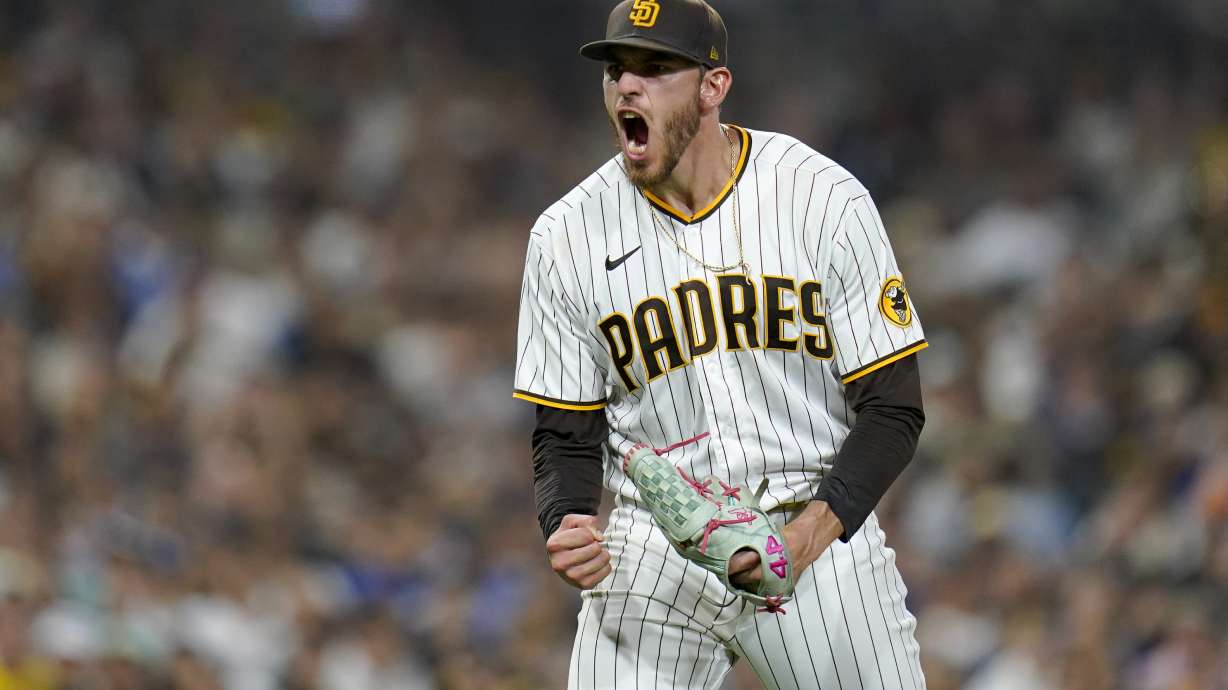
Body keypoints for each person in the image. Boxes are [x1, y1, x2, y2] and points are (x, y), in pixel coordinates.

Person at [513, 1, 928, 687]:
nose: (626, 87)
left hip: (808, 517)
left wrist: (809, 536)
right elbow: (565, 432)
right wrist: (567, 521)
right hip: (653, 541)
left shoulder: (819, 196)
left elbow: (894, 409)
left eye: (655, 68)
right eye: (617, 69)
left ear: (714, 85)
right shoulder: (564, 237)